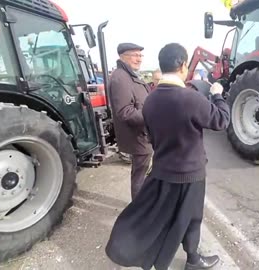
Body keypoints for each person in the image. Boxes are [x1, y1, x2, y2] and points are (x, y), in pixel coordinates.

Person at [105, 43, 230, 270]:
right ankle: (193, 260)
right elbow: (221, 120)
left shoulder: (151, 100)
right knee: (192, 218)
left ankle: (155, 256)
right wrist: (218, 95)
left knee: (164, 216)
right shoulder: (190, 98)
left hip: (163, 171)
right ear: (183, 65)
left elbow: (151, 135)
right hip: (191, 173)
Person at [108, 42, 153, 200]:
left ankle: (141, 206)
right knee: (140, 175)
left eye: (140, 55)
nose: (139, 59)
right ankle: (139, 210)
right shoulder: (120, 77)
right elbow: (125, 112)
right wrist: (152, 115)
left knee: (143, 172)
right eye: (135, 55)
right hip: (139, 136)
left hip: (143, 134)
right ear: (122, 56)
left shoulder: (130, 74)